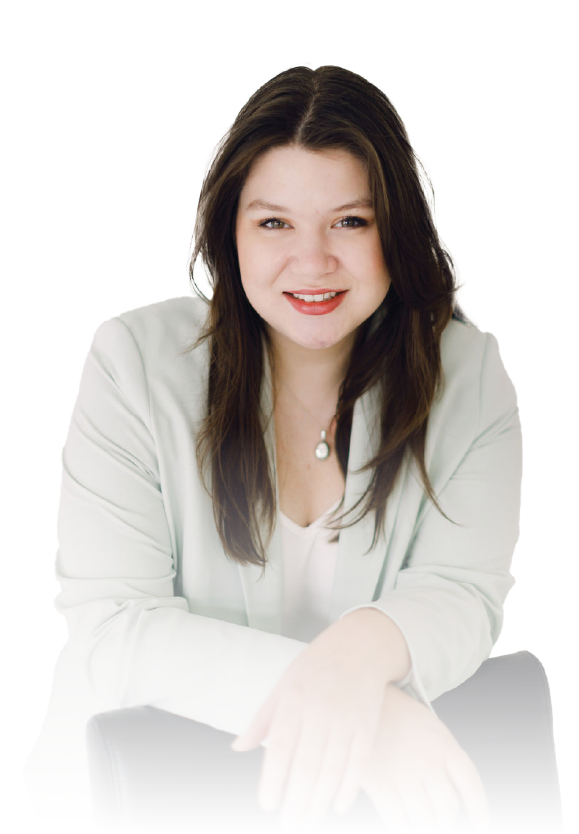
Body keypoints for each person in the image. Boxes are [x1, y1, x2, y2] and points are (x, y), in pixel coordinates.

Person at [23, 62, 522, 833]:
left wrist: (363, 650)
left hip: (351, 809)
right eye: (274, 223)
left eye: (350, 222)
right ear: (230, 232)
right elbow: (115, 627)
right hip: (130, 798)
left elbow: (463, 592)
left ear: (397, 229)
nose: (313, 260)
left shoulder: (469, 375)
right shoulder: (133, 363)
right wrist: (358, 706)